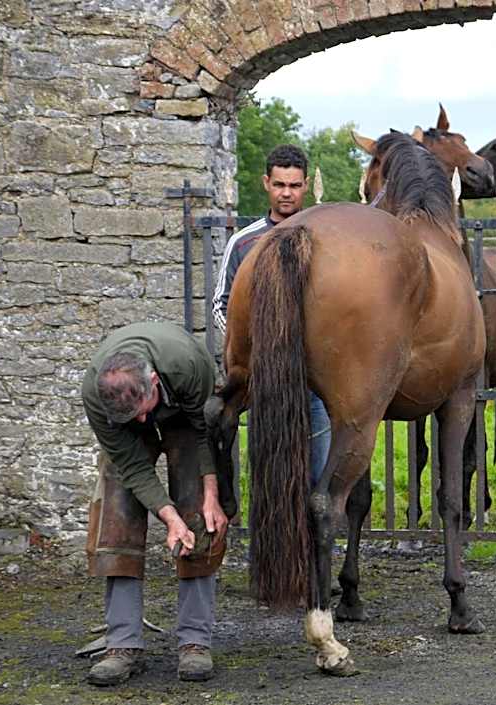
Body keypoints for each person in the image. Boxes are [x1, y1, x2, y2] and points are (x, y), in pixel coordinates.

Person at [81, 321, 231, 686]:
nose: (144, 421)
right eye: (134, 418)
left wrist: (211, 496)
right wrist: (168, 518)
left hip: (186, 415)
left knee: (200, 515)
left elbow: (204, 433)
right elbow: (132, 465)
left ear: (152, 383)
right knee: (115, 516)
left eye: (143, 410)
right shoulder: (97, 397)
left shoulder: (188, 366)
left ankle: (195, 642)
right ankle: (122, 644)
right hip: (128, 430)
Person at [212, 144, 331, 485]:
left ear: (306, 186)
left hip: (317, 380)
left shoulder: (326, 241)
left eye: (294, 186)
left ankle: (318, 538)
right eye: (280, 185)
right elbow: (222, 305)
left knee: (319, 471)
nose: (286, 194)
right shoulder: (244, 242)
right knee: (273, 472)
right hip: (266, 379)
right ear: (266, 183)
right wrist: (255, 348)